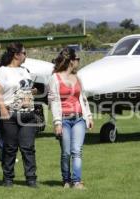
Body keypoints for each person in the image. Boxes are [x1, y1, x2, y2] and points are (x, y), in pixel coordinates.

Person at [48, 48, 94, 189]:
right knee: (66, 152)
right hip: (64, 119)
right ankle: (66, 180)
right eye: (77, 59)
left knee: (76, 151)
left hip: (79, 118)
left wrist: (89, 116)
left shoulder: (77, 77)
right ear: (71, 61)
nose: (79, 61)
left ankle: (77, 181)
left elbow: (83, 98)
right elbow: (53, 102)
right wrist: (57, 123)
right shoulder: (54, 78)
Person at [0, 42, 38, 188]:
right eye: (24, 53)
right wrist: (2, 108)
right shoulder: (2, 71)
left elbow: (23, 88)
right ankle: (8, 179)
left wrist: (32, 92)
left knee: (28, 147)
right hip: (10, 114)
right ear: (16, 54)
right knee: (10, 147)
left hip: (27, 114)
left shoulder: (25, 70)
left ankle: (31, 179)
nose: (26, 55)